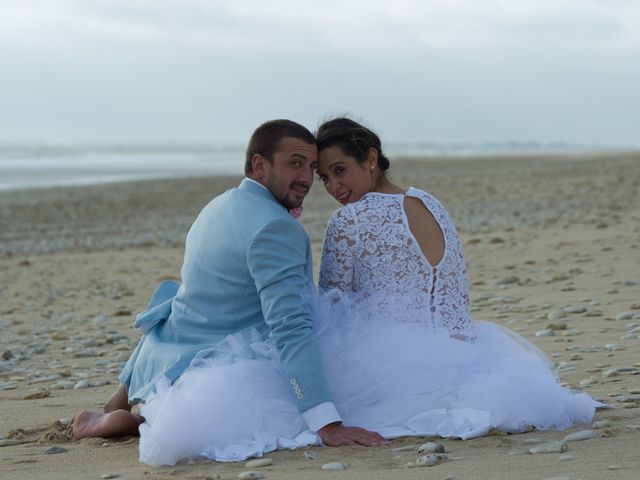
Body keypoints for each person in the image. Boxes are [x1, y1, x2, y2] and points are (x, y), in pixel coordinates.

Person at [67, 119, 385, 464]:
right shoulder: (275, 227)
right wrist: (327, 423)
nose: (307, 179)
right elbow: (290, 325)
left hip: (160, 355)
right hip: (204, 374)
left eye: (311, 167)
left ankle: (123, 400)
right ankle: (141, 421)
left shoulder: (217, 205)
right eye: (295, 164)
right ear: (260, 165)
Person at [310, 116, 602, 439]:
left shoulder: (347, 220)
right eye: (323, 177)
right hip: (469, 358)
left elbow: (332, 313)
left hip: (395, 372)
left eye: (339, 170)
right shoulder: (430, 203)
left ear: (371, 158)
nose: (333, 187)